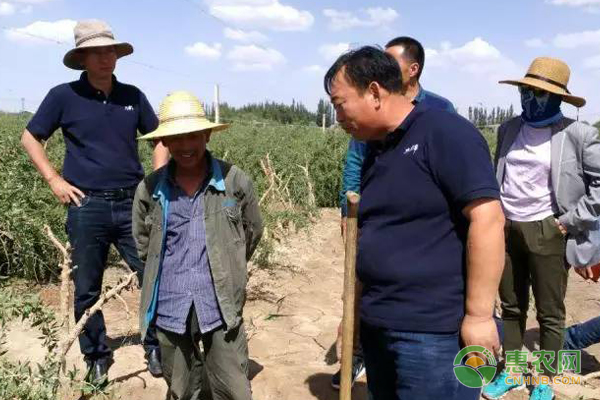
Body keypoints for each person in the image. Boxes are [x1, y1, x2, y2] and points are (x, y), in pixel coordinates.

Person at [325, 46, 505, 400]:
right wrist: (356, 314)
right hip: (380, 325)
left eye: (339, 104)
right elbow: (373, 235)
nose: (337, 117)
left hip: (433, 334)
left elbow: (489, 219)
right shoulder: (377, 151)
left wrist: (480, 316)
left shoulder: (444, 132)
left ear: (374, 92)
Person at [20, 19, 168, 382]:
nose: (106, 58)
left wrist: (157, 181)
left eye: (110, 51)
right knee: (87, 284)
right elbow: (29, 137)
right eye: (96, 52)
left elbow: (160, 138)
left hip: (134, 202)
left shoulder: (132, 96)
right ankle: (96, 356)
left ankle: (155, 346)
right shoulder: (63, 96)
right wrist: (55, 180)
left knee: (152, 275)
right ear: (82, 57)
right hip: (87, 206)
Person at [333, 36, 455, 390]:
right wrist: (349, 210)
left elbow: (480, 214)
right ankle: (358, 356)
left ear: (413, 69)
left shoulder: (440, 115)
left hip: (427, 308)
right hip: (379, 276)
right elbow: (356, 162)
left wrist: (478, 313)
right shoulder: (366, 125)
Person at [482, 57, 600, 400]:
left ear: (557, 98)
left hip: (549, 230)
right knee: (513, 306)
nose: (531, 99)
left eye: (540, 93)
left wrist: (568, 221)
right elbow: (499, 175)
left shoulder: (576, 134)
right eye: (527, 90)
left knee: (550, 312)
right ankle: (515, 371)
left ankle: (546, 379)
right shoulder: (509, 129)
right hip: (508, 228)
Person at [133, 91, 263, 400]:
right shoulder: (150, 189)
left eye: (192, 136)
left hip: (219, 303)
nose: (185, 146)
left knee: (234, 389)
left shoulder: (234, 181)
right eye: (176, 138)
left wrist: (228, 268)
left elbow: (252, 232)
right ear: (164, 142)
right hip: (170, 302)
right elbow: (143, 243)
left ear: (206, 134)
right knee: (180, 387)